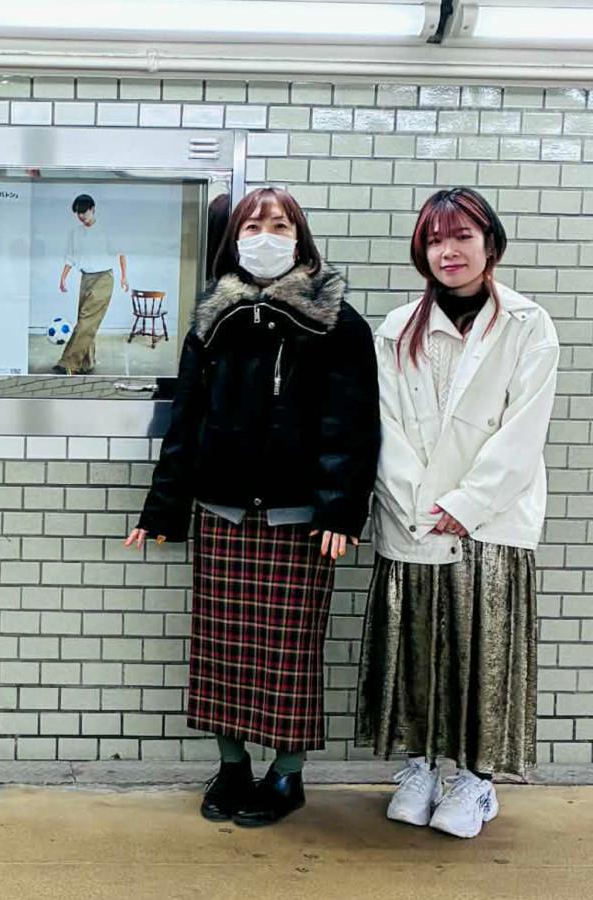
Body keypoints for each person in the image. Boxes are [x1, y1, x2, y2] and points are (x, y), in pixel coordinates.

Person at [126, 187, 379, 827]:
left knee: (288, 652)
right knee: (223, 649)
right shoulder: (214, 319)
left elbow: (352, 425)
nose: (265, 236)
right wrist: (163, 509)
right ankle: (232, 766)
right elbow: (187, 419)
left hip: (299, 520)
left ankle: (287, 775)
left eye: (280, 225)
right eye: (253, 225)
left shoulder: (335, 321)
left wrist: (340, 512)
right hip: (222, 511)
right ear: (234, 239)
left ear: (301, 238)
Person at [357, 188, 559, 839]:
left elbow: (524, 429)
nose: (449, 250)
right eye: (435, 239)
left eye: (462, 236)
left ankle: (476, 781)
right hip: (413, 520)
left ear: (489, 243)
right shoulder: (395, 328)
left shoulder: (528, 324)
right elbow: (381, 425)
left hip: (491, 523)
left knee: (483, 656)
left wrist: (466, 504)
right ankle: (419, 768)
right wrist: (420, 503)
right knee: (417, 653)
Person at [51, 194, 127, 375]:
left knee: (86, 322)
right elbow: (70, 257)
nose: (81, 216)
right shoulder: (75, 233)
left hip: (103, 279)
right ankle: (87, 363)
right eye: (78, 213)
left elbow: (121, 252)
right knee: (86, 322)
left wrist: (124, 277)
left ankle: (68, 363)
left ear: (93, 209)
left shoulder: (106, 230)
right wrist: (63, 278)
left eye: (84, 212)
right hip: (85, 279)